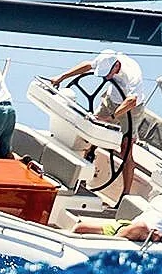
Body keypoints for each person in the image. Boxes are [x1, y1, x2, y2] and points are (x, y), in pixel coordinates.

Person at [55, 50, 145, 203]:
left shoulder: (132, 73)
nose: (106, 78)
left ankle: (125, 194)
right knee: (91, 136)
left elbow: (132, 100)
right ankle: (81, 179)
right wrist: (61, 77)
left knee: (125, 150)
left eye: (108, 74)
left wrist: (111, 118)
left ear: (117, 65)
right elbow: (87, 66)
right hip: (110, 101)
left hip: (131, 109)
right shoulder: (105, 59)